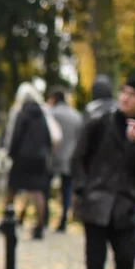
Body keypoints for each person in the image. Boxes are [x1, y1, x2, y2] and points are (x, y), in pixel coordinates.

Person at [72, 75, 135, 269]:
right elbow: (79, 156)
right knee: (95, 262)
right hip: (96, 202)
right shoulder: (99, 123)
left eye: (132, 94)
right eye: (124, 92)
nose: (125, 97)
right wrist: (83, 188)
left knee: (127, 259)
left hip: (124, 207)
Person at [5, 84, 56, 239]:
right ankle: (40, 226)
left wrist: (11, 153)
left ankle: (7, 218)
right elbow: (49, 137)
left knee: (12, 188)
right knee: (37, 192)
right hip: (40, 158)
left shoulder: (22, 113)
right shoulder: (43, 114)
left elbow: (16, 135)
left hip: (22, 157)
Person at [46, 86, 83, 231]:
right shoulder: (76, 115)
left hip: (52, 157)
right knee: (67, 190)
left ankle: (45, 218)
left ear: (54, 98)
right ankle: (63, 220)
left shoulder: (51, 113)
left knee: (46, 189)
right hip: (70, 158)